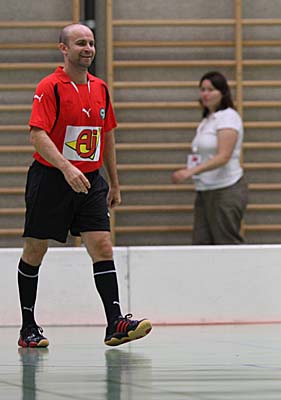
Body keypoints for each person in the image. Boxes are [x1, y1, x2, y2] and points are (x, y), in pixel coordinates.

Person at [18, 23, 152, 348]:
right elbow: (38, 134)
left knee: (102, 246)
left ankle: (115, 322)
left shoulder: (101, 88)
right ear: (63, 49)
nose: (88, 48)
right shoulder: (50, 87)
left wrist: (114, 183)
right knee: (35, 249)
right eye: (80, 43)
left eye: (91, 43)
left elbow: (107, 135)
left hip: (91, 181)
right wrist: (66, 168)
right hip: (51, 178)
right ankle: (28, 327)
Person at [171, 71, 248, 245]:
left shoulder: (228, 117)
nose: (205, 94)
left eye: (210, 90)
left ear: (222, 93)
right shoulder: (207, 120)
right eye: (202, 89)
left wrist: (190, 172)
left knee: (226, 242)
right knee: (201, 244)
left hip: (225, 189)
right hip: (205, 189)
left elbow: (224, 156)